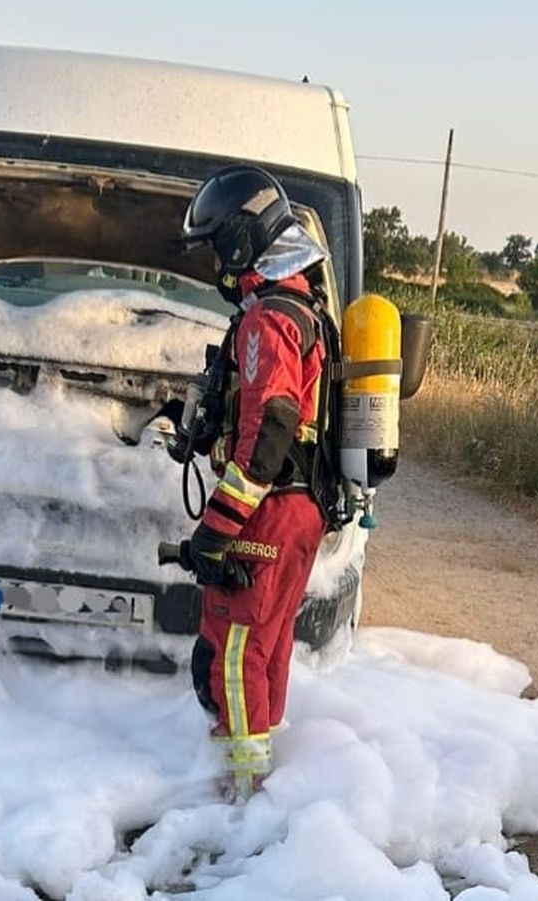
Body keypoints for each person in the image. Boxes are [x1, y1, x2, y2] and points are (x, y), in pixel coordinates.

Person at [174, 165, 331, 802]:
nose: (215, 260)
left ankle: (240, 794)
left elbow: (269, 429)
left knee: (234, 649)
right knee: (265, 644)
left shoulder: (269, 318)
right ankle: (259, 781)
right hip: (300, 510)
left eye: (218, 245)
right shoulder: (304, 306)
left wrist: (216, 530)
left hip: (267, 510)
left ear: (242, 240)